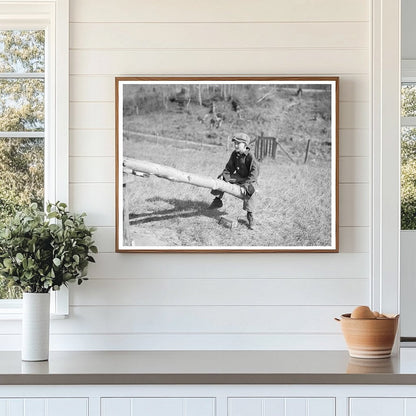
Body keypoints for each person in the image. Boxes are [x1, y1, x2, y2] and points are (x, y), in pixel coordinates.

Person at [209, 132, 260, 230]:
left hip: (249, 179)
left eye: (238, 143)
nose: (235, 145)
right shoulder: (235, 154)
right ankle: (217, 200)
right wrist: (224, 175)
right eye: (235, 143)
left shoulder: (250, 156)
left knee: (251, 191)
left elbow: (254, 174)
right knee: (222, 178)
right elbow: (229, 168)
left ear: (245, 145)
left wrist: (245, 185)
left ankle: (250, 215)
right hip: (239, 176)